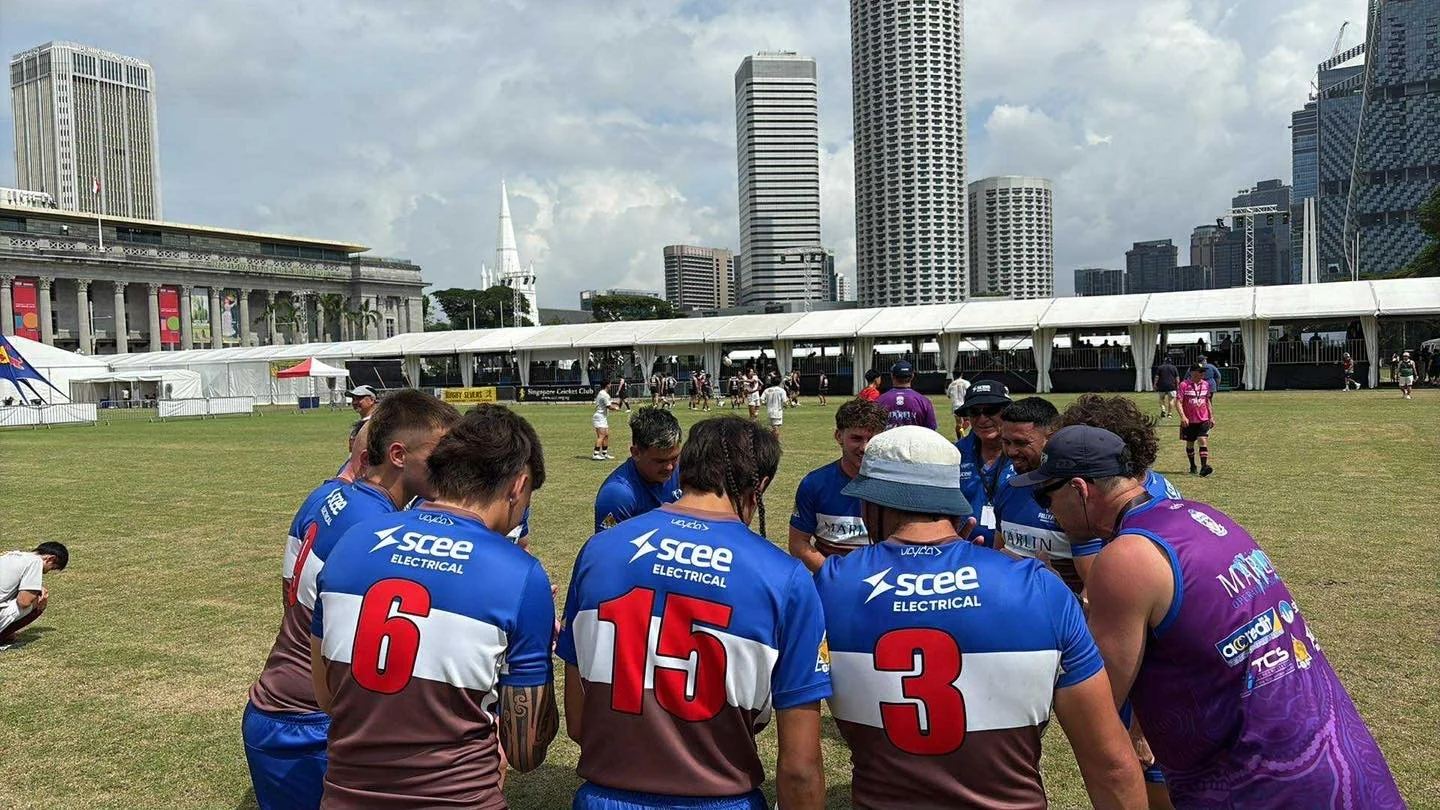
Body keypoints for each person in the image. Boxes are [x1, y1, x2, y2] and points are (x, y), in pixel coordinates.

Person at [1009, 425, 1406, 809]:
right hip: (1338, 756)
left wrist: (1052, 603)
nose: (1048, 512)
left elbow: (1098, 700)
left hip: (1257, 782)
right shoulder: (1200, 516)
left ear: (1079, 489)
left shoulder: (1126, 558)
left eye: (1046, 498)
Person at [815, 427, 1147, 810]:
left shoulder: (830, 586)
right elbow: (1110, 765)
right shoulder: (1039, 588)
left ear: (871, 504)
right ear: (954, 506)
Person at [558, 417, 831, 810]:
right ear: (761, 485)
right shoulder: (784, 577)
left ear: (684, 466)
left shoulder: (598, 551)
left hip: (605, 796)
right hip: (722, 798)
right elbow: (800, 769)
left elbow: (578, 720)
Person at [311, 405, 559, 807]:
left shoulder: (353, 540)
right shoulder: (520, 575)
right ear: (519, 485)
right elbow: (525, 753)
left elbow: (325, 695)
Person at [245, 391, 460, 810]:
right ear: (398, 455)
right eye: (441, 453)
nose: (452, 464)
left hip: (284, 704)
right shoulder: (380, 532)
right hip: (311, 722)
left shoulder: (328, 495)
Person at [788, 398, 888, 572]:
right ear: (839, 436)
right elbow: (798, 543)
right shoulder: (814, 484)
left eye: (872, 439)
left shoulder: (897, 484)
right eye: (856, 438)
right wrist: (834, 576)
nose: (864, 447)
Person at [594, 406, 684, 531]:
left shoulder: (683, 470)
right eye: (660, 461)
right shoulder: (617, 495)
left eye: (674, 458)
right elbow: (607, 542)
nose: (670, 467)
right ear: (636, 453)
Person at [954, 380, 1012, 547]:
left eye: (991, 411)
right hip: (966, 550)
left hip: (1013, 553)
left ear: (1007, 412)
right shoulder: (955, 454)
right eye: (974, 412)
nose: (982, 419)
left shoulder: (1023, 453)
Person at [0, 542, 68, 646]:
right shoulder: (35, 562)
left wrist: (37, 587)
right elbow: (23, 602)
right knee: (39, 601)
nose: (47, 572)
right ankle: (4, 635)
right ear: (50, 559)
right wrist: (36, 593)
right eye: (52, 568)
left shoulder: (11, 555)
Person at [875, 360, 938, 430]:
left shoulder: (879, 401)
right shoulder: (924, 402)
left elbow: (871, 429)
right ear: (912, 376)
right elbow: (931, 430)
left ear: (892, 376)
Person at [1178, 364, 1214, 477]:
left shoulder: (1206, 384)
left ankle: (1204, 467)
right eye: (1200, 371)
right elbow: (1178, 402)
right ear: (1192, 372)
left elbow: (1207, 401)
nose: (1203, 374)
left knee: (1202, 440)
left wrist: (1211, 416)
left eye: (1203, 371)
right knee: (1190, 444)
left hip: (1203, 419)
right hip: (1189, 421)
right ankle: (1193, 465)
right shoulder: (1184, 385)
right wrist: (1183, 416)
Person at [592, 376, 621, 461]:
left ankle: (604, 453)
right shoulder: (604, 394)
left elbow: (607, 402)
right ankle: (595, 454)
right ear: (607, 385)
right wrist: (616, 408)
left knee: (606, 435)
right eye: (610, 383)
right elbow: (609, 406)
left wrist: (614, 402)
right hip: (600, 417)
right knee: (601, 436)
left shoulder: (602, 393)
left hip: (603, 417)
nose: (611, 385)